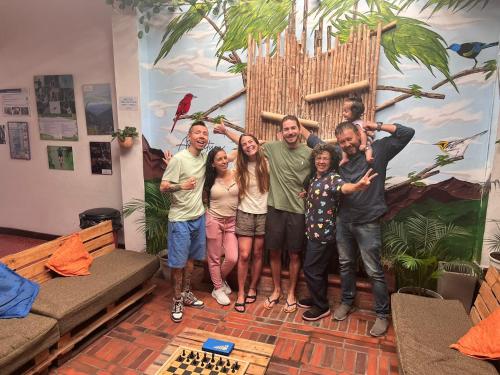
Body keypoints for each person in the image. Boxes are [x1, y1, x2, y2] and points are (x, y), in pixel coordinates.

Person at [305, 119, 415, 336]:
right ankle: (347, 302)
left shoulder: (379, 150)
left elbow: (407, 133)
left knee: (373, 271)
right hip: (343, 221)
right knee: (346, 265)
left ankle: (382, 314)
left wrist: (378, 125)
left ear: (359, 135)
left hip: (368, 222)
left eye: (349, 139)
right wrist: (296, 125)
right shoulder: (338, 156)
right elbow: (313, 140)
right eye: (342, 141)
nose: (346, 144)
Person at [216, 115, 311, 313]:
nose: (290, 132)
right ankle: (271, 291)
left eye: (294, 128)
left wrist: (310, 190)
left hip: (289, 211)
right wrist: (226, 132)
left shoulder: (306, 153)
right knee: (264, 253)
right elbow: (245, 142)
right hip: (270, 210)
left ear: (299, 129)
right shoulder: (271, 149)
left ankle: (290, 293)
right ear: (281, 132)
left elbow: (324, 165)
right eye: (286, 129)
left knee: (291, 254)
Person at [299, 143, 377, 321]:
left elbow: (344, 187)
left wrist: (357, 186)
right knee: (318, 269)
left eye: (325, 158)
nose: (321, 161)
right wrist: (307, 194)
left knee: (310, 269)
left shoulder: (333, 178)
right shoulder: (314, 179)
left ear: (331, 161)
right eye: (318, 158)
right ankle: (316, 297)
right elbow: (319, 195)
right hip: (312, 232)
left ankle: (321, 306)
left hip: (323, 235)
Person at [160, 121, 209, 323]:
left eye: (205, 133)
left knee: (190, 261)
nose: (201, 136)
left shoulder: (205, 158)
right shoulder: (179, 159)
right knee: (178, 263)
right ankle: (177, 299)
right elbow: (163, 187)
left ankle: (187, 293)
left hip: (198, 217)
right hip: (179, 219)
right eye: (197, 132)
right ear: (189, 136)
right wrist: (182, 185)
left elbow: (230, 157)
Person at [232, 134, 269, 313]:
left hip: (264, 214)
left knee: (258, 253)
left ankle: (253, 287)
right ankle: (241, 292)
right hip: (244, 212)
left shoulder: (267, 163)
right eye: (244, 144)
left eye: (251, 142)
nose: (248, 146)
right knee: (244, 255)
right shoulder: (239, 166)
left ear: (257, 143)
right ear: (241, 149)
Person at [203, 147, 239, 306]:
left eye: (225, 158)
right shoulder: (209, 180)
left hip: (231, 222)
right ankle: (217, 288)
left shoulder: (236, 173)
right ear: (213, 164)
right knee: (214, 258)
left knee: (232, 258)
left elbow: (239, 150)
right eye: (219, 159)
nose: (224, 161)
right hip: (214, 221)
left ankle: (219, 280)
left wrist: (258, 142)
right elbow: (203, 200)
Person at [340, 95, 374, 165]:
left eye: (346, 111)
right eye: (343, 111)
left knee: (368, 147)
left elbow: (363, 133)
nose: (343, 113)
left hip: (364, 140)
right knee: (343, 148)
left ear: (354, 112)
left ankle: (368, 157)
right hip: (357, 142)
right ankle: (344, 158)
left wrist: (363, 144)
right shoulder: (350, 123)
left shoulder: (357, 124)